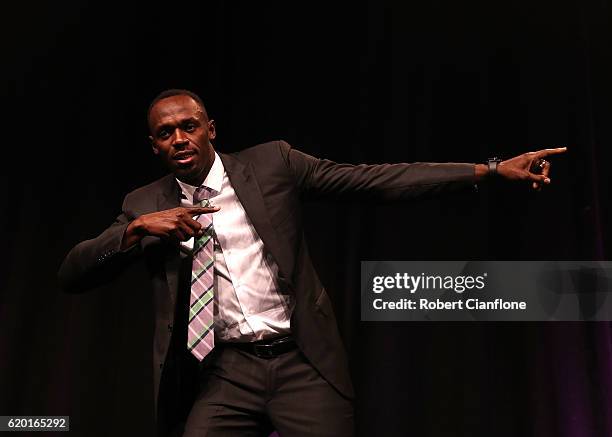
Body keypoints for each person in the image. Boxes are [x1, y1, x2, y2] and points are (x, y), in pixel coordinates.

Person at [58, 89, 566, 436]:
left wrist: (491, 169)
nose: (180, 139)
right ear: (154, 145)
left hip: (300, 361)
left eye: (189, 127)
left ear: (211, 128)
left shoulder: (272, 163)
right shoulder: (145, 202)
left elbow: (374, 180)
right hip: (222, 373)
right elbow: (73, 272)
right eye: (166, 134)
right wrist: (137, 230)